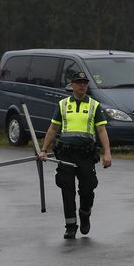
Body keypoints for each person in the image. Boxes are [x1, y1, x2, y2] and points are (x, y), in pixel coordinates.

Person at [37, 70, 113, 239]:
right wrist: (43, 150)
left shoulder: (94, 105)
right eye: (78, 83)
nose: (82, 86)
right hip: (66, 155)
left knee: (87, 189)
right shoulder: (63, 105)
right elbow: (53, 129)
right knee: (67, 189)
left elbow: (101, 130)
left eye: (84, 83)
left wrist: (107, 153)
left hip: (85, 155)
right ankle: (71, 225)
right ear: (71, 85)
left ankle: (85, 213)